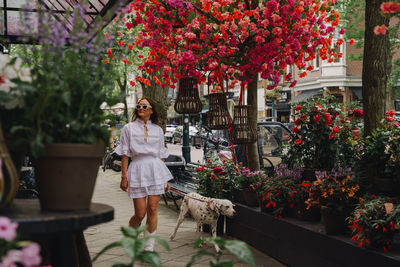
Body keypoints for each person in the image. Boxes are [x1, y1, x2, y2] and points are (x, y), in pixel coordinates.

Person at [115, 97, 173, 251]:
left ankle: (149, 247)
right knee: (140, 214)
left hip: (155, 169)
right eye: (139, 106)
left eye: (144, 106)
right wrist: (123, 177)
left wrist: (165, 179)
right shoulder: (128, 128)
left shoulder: (158, 130)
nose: (140, 108)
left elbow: (161, 154)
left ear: (151, 110)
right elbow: (125, 154)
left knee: (153, 209)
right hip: (137, 169)